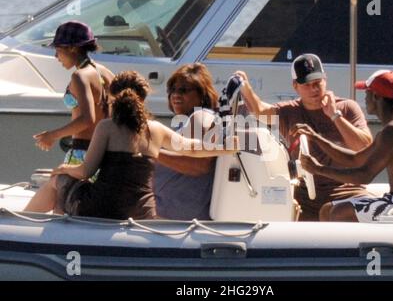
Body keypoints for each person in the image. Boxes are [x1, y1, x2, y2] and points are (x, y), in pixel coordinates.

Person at [24, 71, 237, 219]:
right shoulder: (156, 129)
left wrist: (64, 169)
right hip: (141, 210)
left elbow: (85, 171)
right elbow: (192, 148)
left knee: (57, 181)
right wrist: (227, 147)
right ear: (143, 100)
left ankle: (24, 224)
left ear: (113, 99)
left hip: (104, 208)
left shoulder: (106, 127)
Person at [235, 53, 373, 221]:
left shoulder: (346, 107)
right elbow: (259, 111)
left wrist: (335, 116)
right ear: (295, 86)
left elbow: (366, 147)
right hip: (306, 197)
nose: (314, 89)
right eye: (307, 85)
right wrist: (246, 88)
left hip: (349, 193)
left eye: (317, 83)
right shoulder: (289, 112)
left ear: (325, 79)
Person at [297, 70, 393, 222]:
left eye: (366, 93)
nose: (365, 99)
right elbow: (355, 159)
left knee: (339, 212)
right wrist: (316, 138)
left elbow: (364, 176)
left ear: (376, 96)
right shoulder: (392, 129)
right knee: (327, 210)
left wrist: (318, 169)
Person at [34, 20, 115, 166]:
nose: (56, 56)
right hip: (107, 154)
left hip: (84, 153)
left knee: (53, 187)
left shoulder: (80, 76)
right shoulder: (106, 73)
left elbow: (87, 119)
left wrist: (52, 135)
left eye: (58, 50)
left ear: (72, 48)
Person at [154, 63, 219, 220]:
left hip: (179, 220)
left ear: (202, 94)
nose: (175, 95)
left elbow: (200, 165)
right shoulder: (188, 121)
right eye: (172, 90)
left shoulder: (201, 117)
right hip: (172, 215)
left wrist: (152, 151)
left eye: (183, 90)